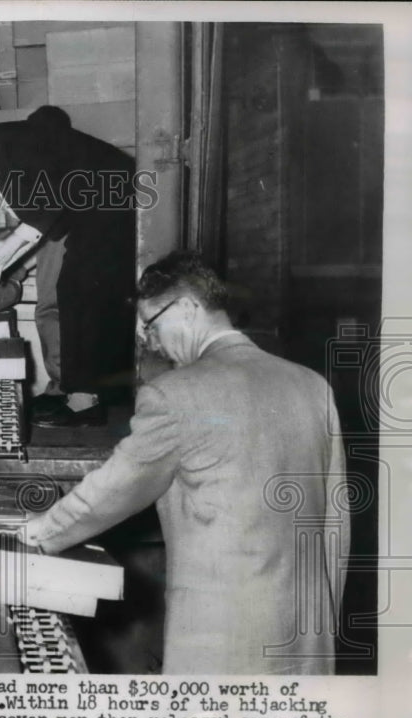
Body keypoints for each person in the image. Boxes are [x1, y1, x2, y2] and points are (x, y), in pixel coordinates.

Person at [23, 252, 350, 674]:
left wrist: (39, 532)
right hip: (306, 639)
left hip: (223, 642)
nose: (151, 342)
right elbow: (336, 526)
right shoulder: (313, 386)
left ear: (189, 308)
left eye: (152, 325)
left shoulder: (175, 395)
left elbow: (113, 490)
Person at [0, 107, 136, 427]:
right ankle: (78, 393)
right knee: (72, 290)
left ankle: (86, 401)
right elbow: (40, 212)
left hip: (113, 205)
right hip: (94, 211)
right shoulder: (6, 149)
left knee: (82, 293)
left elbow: (48, 206)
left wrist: (7, 250)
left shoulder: (14, 144)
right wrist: (5, 245)